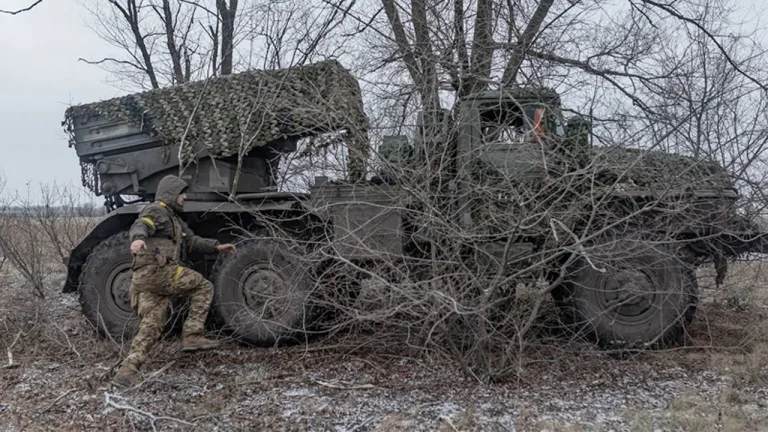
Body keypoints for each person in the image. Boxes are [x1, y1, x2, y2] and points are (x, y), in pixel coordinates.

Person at [111, 174, 237, 388]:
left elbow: (192, 242)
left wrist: (216, 247)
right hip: (159, 272)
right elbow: (142, 223)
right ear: (171, 193)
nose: (185, 197)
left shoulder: (174, 220)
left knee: (151, 327)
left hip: (146, 278)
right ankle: (193, 335)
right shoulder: (156, 211)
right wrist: (138, 238)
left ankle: (126, 373)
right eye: (181, 193)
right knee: (203, 286)